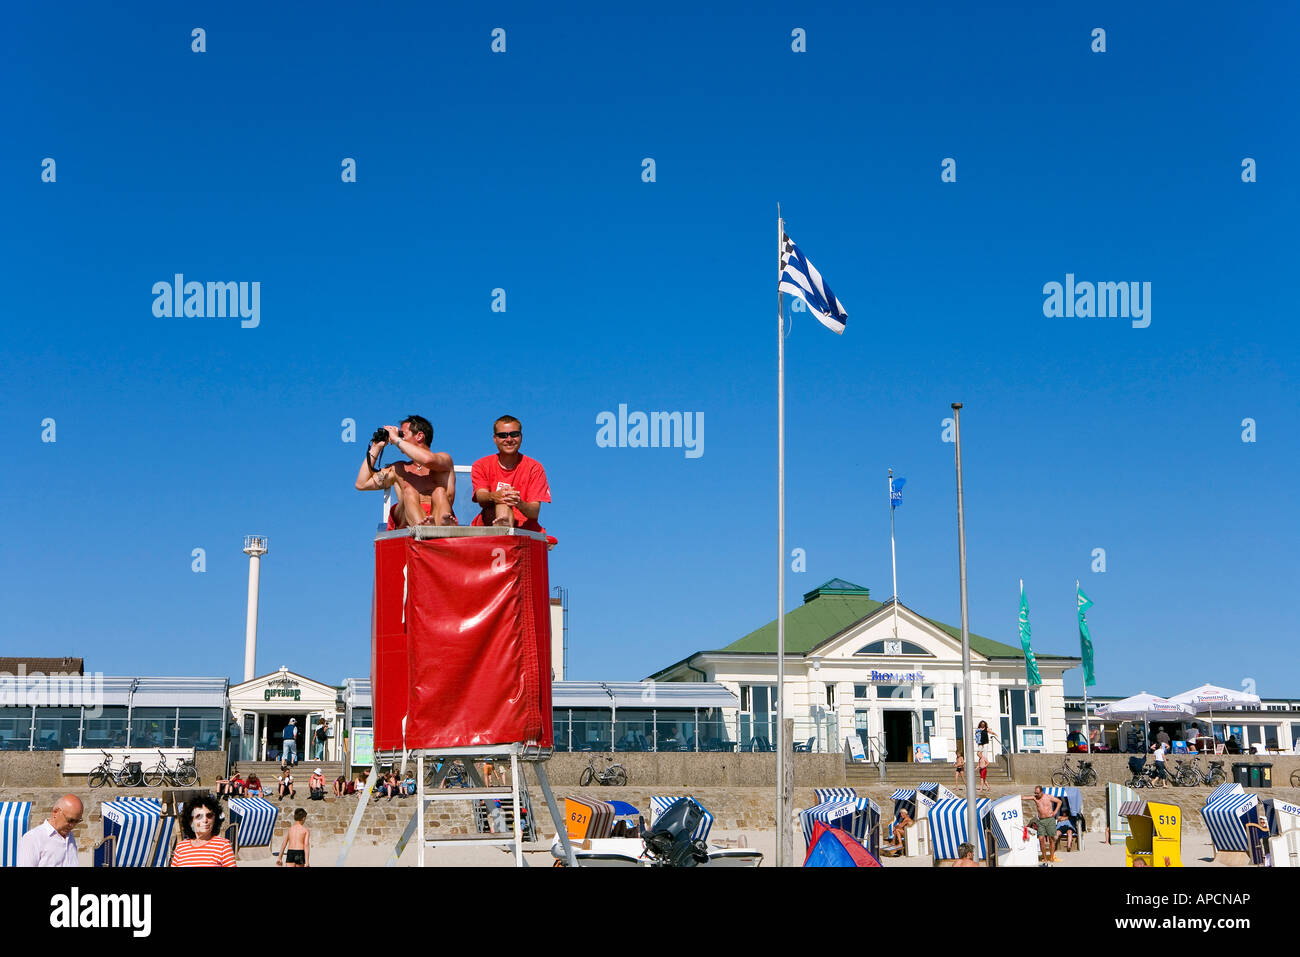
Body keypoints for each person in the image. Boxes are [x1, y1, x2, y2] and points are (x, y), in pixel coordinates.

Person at [354, 414, 457, 528]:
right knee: (409, 492)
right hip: (407, 521)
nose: (399, 438)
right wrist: (376, 447)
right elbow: (361, 484)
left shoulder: (444, 460)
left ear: (419, 436)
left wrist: (396, 439)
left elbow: (427, 460)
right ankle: (423, 528)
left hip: (438, 518)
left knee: (439, 491)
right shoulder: (398, 469)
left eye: (403, 434)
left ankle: (441, 526)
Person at [470, 415, 551, 534]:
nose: (509, 439)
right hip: (489, 525)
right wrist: (497, 496)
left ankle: (504, 532)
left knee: (504, 501)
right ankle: (503, 532)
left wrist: (519, 503)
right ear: (495, 439)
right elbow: (480, 495)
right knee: (502, 502)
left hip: (524, 530)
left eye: (514, 434)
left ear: (521, 437)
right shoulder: (481, 464)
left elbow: (534, 512)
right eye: (503, 435)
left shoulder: (535, 467)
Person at [17, 794, 82, 867]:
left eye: (77, 821)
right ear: (55, 812)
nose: (73, 825)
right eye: (70, 820)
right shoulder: (32, 838)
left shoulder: (70, 837)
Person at [172, 794, 236, 867]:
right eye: (199, 817)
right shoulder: (181, 847)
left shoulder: (223, 846)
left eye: (209, 816)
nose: (205, 820)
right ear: (191, 822)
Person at [1032, 787, 1063, 863]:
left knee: (1051, 839)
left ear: (1042, 792)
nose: (1036, 794)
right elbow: (1025, 797)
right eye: (1035, 792)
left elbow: (1059, 802)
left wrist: (1055, 811)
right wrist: (1016, 797)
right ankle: (1044, 858)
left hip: (1050, 820)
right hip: (1041, 821)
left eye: (1037, 793)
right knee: (1041, 839)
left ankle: (1052, 857)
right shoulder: (1035, 798)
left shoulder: (1048, 797)